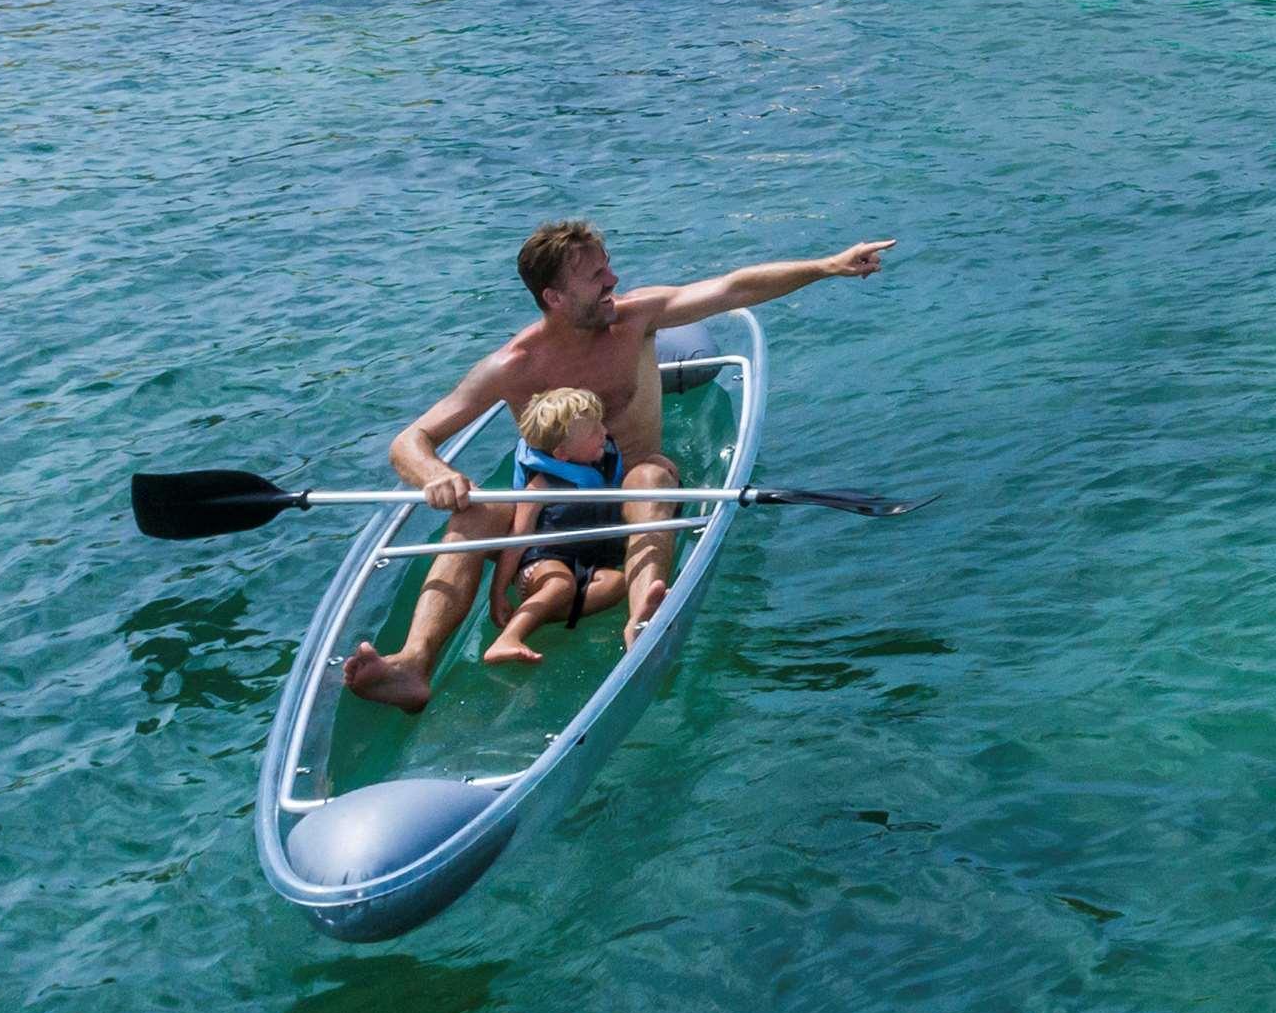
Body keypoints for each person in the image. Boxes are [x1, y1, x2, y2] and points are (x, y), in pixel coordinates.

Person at [339, 221, 894, 711]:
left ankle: (642, 618)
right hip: (550, 523)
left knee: (651, 471)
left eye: (608, 268)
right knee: (473, 513)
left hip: (635, 503)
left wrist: (828, 266)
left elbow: (733, 287)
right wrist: (434, 474)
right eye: (596, 276)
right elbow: (411, 440)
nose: (613, 281)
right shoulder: (513, 365)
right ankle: (413, 665)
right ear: (554, 296)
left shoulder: (636, 321)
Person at [480, 387, 631, 664]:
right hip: (540, 565)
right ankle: (507, 638)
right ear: (561, 454)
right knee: (561, 584)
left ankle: (539, 616)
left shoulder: (600, 463)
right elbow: (518, 539)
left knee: (617, 583)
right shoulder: (541, 485)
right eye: (593, 432)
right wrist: (497, 593)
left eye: (600, 423)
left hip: (584, 566)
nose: (604, 432)